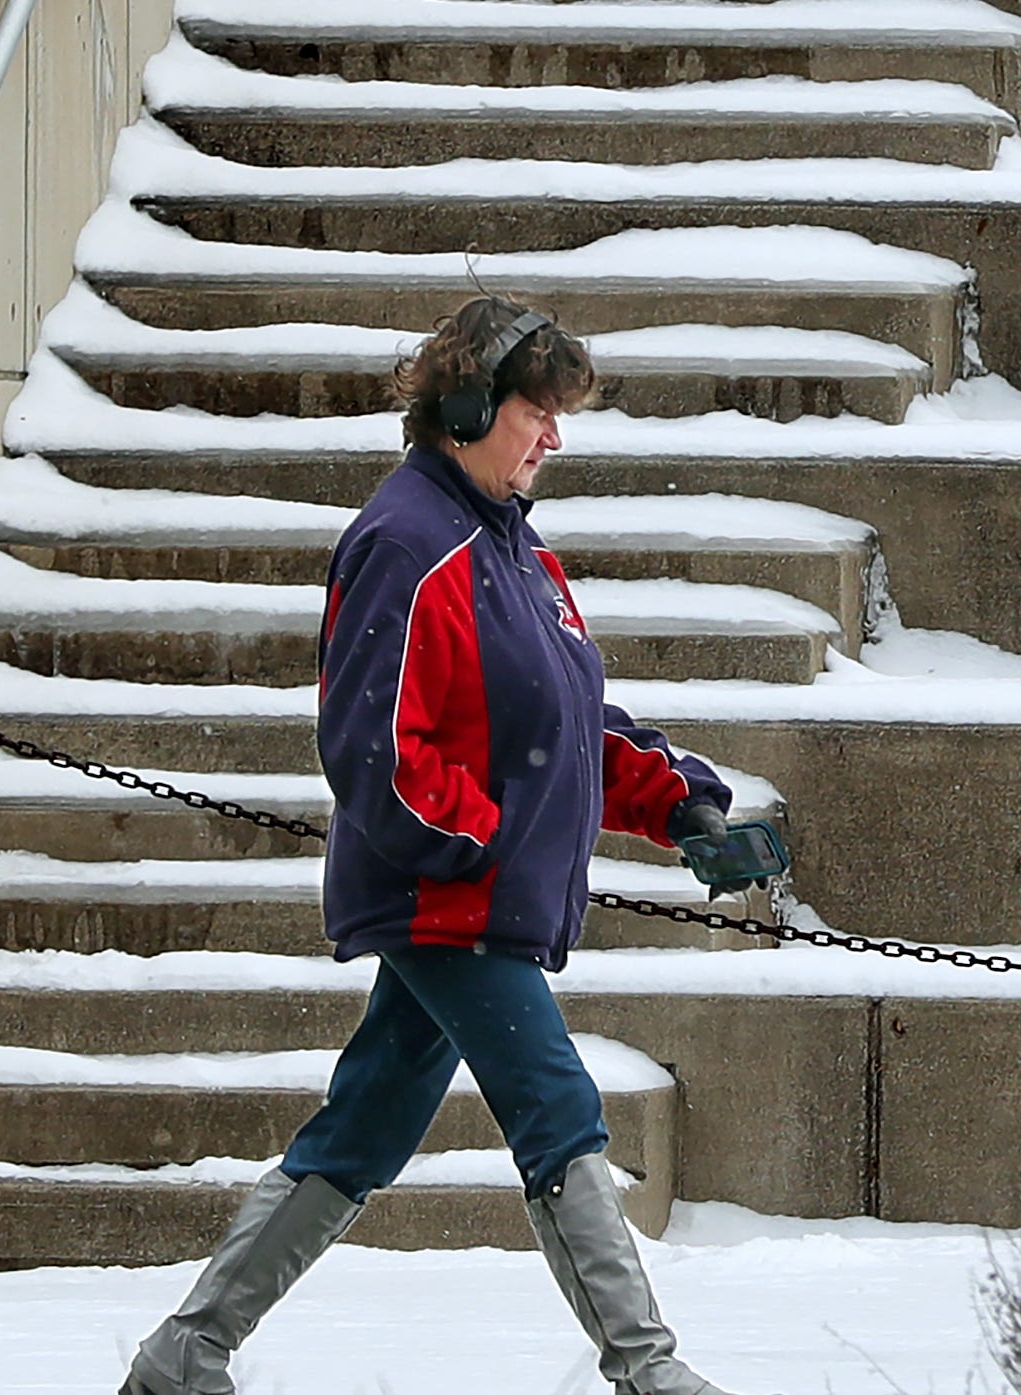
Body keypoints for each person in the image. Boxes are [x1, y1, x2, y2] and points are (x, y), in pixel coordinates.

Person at [121, 296, 762, 1395]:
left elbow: (566, 725)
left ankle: (185, 1356)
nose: (553, 437)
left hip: (473, 902)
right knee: (558, 1113)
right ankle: (651, 1375)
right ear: (466, 409)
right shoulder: (405, 542)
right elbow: (372, 743)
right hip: (447, 905)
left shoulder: (510, 550)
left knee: (363, 1131)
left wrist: (683, 805)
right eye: (537, 411)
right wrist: (476, 849)